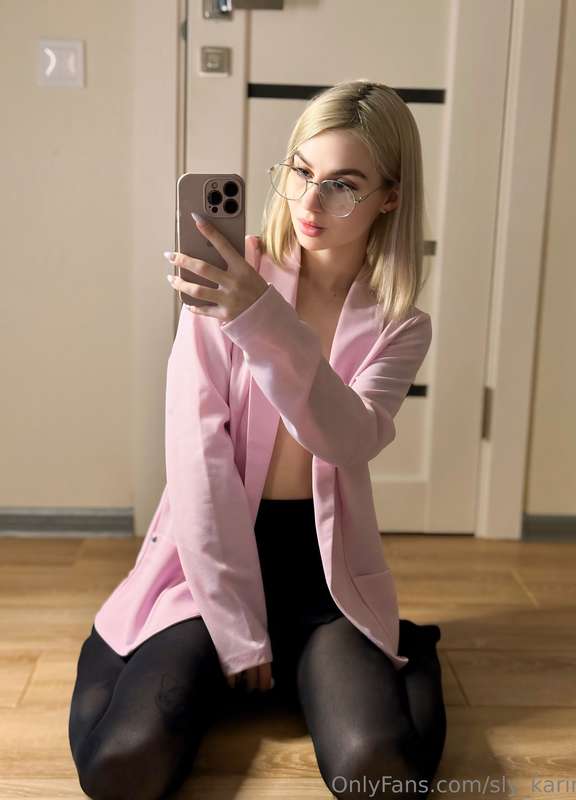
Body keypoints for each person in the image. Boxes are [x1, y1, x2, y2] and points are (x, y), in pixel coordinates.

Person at [68, 79, 446, 800]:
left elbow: (347, 439)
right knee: (122, 765)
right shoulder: (228, 278)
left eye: (343, 185)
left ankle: (406, 651)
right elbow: (198, 459)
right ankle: (223, 664)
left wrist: (261, 318)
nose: (309, 202)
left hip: (325, 579)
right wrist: (238, 631)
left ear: (390, 199)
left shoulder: (399, 323)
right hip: (208, 561)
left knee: (378, 773)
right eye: (300, 171)